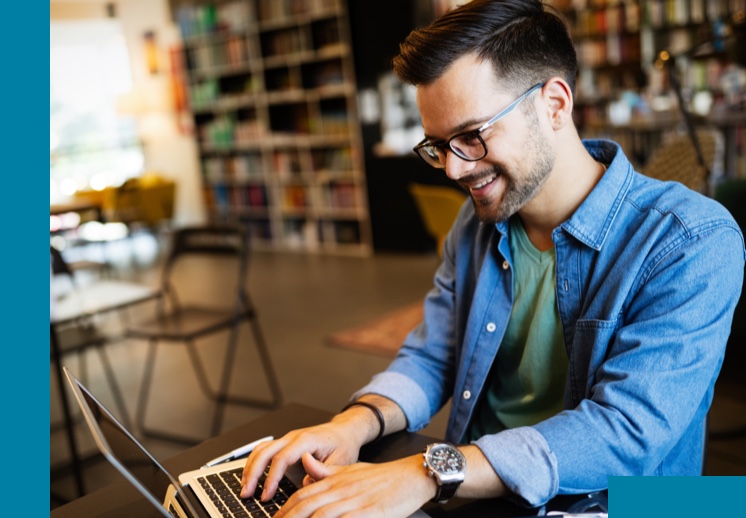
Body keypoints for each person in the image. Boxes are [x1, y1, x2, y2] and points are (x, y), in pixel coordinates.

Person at [241, 0, 746, 515]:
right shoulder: (479, 223)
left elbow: (626, 433)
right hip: (479, 491)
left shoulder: (691, 239)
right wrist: (352, 424)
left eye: (472, 137)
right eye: (438, 145)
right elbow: (435, 353)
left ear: (554, 104)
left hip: (623, 502)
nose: (454, 170)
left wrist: (427, 473)